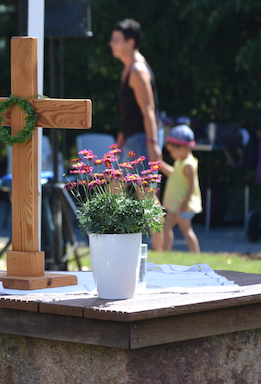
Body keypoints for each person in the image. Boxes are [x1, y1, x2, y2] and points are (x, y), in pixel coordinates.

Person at [109, 18, 164, 251]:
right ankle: (116, 245)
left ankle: (161, 250)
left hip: (142, 140)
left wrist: (153, 144)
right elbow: (129, 115)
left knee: (147, 196)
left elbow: (148, 109)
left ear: (130, 42)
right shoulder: (128, 69)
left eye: (116, 39)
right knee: (114, 188)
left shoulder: (138, 70)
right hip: (132, 139)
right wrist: (118, 145)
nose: (111, 43)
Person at [159, 125, 202, 253]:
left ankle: (196, 254)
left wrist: (185, 202)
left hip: (184, 205)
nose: (171, 154)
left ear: (182, 148)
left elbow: (192, 185)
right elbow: (173, 173)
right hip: (176, 204)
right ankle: (165, 252)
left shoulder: (188, 165)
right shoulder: (180, 162)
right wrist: (160, 164)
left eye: (172, 151)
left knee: (186, 230)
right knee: (166, 228)